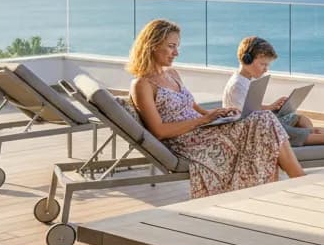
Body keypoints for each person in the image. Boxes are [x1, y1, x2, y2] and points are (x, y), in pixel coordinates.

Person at [127, 19, 304, 198]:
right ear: (152, 45)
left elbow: (191, 105)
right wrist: (202, 120)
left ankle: (285, 187)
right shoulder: (142, 85)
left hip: (204, 128)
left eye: (177, 46)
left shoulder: (172, 74)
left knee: (262, 122)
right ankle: (298, 182)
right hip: (187, 141)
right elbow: (159, 131)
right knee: (263, 121)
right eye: (171, 46)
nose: (176, 53)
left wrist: (213, 114)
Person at [223, 36, 324, 146]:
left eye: (267, 65)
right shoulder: (237, 85)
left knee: (298, 119)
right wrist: (269, 112)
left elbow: (250, 108)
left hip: (256, 122)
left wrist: (271, 107)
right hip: (245, 131)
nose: (266, 69)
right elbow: (245, 117)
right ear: (247, 59)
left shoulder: (246, 80)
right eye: (263, 64)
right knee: (279, 128)